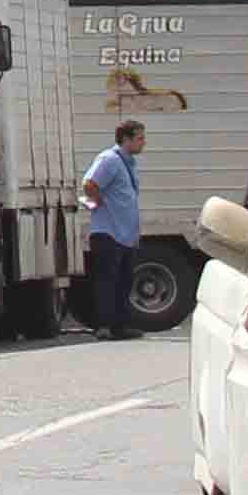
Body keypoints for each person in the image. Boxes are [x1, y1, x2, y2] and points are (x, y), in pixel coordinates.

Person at [78, 117, 149, 337]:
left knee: (123, 282)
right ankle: (105, 326)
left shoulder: (127, 163)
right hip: (108, 233)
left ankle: (120, 325)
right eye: (139, 138)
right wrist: (98, 200)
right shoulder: (109, 159)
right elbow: (89, 184)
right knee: (108, 281)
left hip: (124, 235)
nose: (143, 143)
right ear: (125, 139)